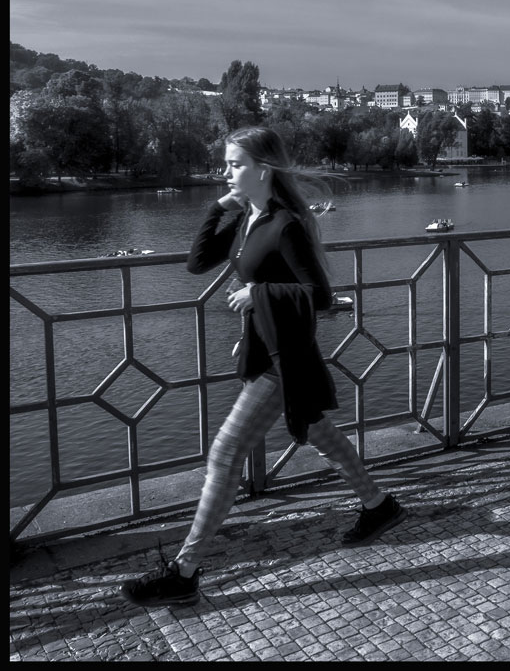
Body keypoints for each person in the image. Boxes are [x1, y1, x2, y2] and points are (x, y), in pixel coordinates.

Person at [121, 126, 406, 608]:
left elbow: (317, 295)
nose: (224, 171)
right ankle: (380, 505)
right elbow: (198, 263)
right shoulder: (248, 217)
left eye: (234, 164)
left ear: (263, 169)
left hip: (284, 358)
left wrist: (257, 294)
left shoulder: (285, 223)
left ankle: (184, 572)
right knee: (317, 430)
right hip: (266, 350)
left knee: (225, 454)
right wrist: (219, 209)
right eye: (227, 163)